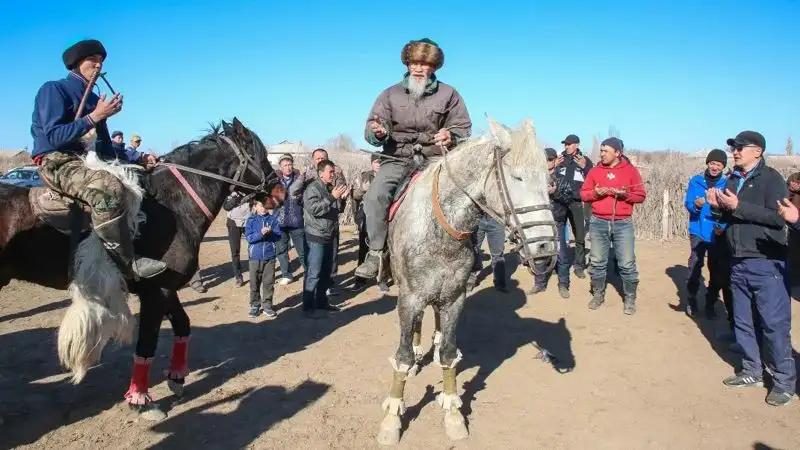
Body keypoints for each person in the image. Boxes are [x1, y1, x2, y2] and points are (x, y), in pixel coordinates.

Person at [30, 39, 164, 280]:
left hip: (90, 159)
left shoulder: (94, 99)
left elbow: (105, 149)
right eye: (93, 60)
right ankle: (126, 261)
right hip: (57, 160)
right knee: (107, 187)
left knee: (140, 182)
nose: (98, 65)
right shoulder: (54, 89)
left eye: (101, 61)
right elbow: (54, 136)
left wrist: (139, 158)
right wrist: (94, 117)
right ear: (76, 63)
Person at [355, 38, 472, 279]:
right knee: (374, 197)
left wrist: (451, 135)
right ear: (407, 64)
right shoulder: (389, 94)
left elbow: (463, 127)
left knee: (464, 197)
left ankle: (466, 252)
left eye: (423, 63)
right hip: (397, 158)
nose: (418, 68)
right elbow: (371, 127)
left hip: (434, 160)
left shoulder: (450, 94)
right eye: (413, 62)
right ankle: (377, 253)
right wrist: (377, 132)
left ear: (434, 66)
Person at [708, 131, 795, 407]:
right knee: (743, 322)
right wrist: (717, 208)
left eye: (740, 147)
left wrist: (738, 206)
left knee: (773, 325)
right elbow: (732, 215)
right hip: (738, 260)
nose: (734, 151)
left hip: (766, 261)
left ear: (757, 151)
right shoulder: (734, 179)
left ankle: (784, 383)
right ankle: (752, 371)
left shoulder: (772, 180)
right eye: (733, 147)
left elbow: (778, 219)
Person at [580, 137, 646, 315]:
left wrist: (625, 195)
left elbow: (640, 196)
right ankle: (598, 295)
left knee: (626, 263)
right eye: (601, 150)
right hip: (598, 222)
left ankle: (630, 298)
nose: (602, 154)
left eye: (605, 151)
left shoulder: (631, 171)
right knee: (597, 262)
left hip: (622, 223)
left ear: (617, 153)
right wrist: (595, 192)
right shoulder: (594, 171)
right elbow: (584, 194)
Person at [682, 149, 733, 319]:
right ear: (707, 164)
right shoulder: (696, 181)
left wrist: (722, 225)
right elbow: (688, 203)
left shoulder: (727, 184)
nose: (715, 167)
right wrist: (695, 205)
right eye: (712, 163)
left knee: (717, 269)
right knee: (695, 265)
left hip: (717, 232)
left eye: (718, 164)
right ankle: (691, 299)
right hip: (697, 230)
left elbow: (729, 210)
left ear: (723, 167)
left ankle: (711, 302)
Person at [302, 159, 349, 318]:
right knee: (314, 273)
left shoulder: (330, 188)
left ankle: (322, 303)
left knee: (325, 272)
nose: (333, 175)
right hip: (316, 235)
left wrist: (341, 199)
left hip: (330, 234)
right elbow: (314, 209)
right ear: (321, 173)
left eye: (333, 172)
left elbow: (336, 211)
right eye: (330, 172)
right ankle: (308, 307)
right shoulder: (312, 188)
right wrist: (332, 197)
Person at [529, 148, 571, 298]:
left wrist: (555, 193)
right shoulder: (535, 178)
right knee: (540, 255)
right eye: (544, 159)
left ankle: (563, 285)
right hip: (540, 223)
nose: (547, 162)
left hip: (556, 221)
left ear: (554, 161)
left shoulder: (562, 178)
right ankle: (539, 283)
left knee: (562, 255)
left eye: (550, 159)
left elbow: (568, 198)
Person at [554, 134, 593, 278]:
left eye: (569, 144)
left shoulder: (585, 160)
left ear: (576, 144)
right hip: (560, 202)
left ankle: (579, 265)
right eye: (565, 144)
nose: (566, 146)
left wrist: (585, 167)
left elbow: (593, 178)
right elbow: (550, 175)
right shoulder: (560, 159)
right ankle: (558, 262)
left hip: (576, 202)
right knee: (558, 235)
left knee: (580, 235)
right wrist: (554, 166)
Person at [352, 153, 390, 293]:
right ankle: (360, 280)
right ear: (371, 164)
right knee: (363, 249)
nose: (378, 164)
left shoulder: (389, 176)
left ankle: (382, 279)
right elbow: (355, 196)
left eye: (381, 161)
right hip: (367, 217)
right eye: (376, 162)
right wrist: (362, 189)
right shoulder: (364, 176)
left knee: (383, 249)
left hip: (384, 217)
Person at [244, 192, 282, 318]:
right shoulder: (250, 220)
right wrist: (261, 234)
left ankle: (267, 305)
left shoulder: (272, 220)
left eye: (265, 205)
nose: (263, 208)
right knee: (254, 282)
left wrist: (270, 233)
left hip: (270, 256)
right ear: (255, 207)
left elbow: (278, 236)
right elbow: (249, 238)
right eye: (260, 205)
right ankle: (255, 305)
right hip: (255, 256)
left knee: (269, 282)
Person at [275, 154, 307, 285]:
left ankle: (308, 271)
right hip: (279, 221)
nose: (288, 168)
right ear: (280, 168)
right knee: (281, 250)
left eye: (290, 165)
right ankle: (287, 274)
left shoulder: (300, 179)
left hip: (296, 220)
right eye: (285, 165)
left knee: (303, 250)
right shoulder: (275, 182)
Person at [222, 191, 252, 287]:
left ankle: (256, 273)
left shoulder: (250, 192)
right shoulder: (231, 194)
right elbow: (226, 207)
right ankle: (238, 277)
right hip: (233, 224)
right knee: (235, 252)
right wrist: (235, 197)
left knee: (253, 248)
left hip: (248, 222)